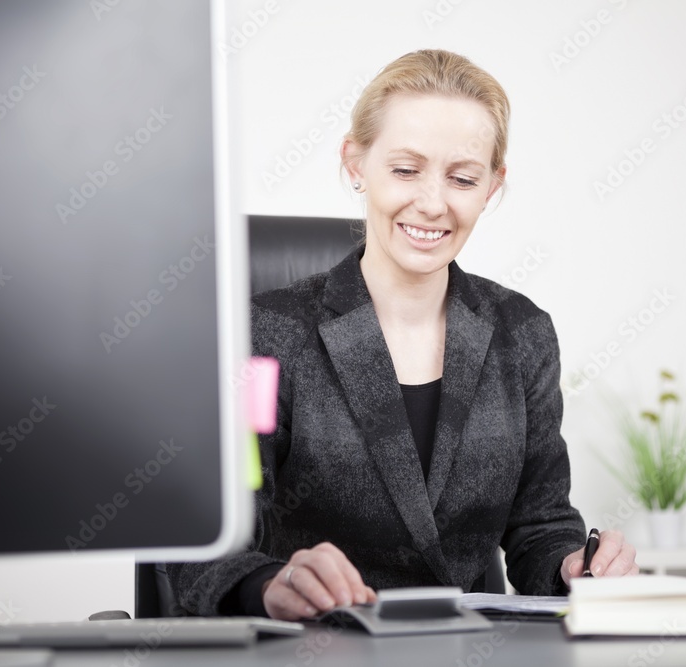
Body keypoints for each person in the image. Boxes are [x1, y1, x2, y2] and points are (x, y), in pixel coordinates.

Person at [168, 49, 638, 621]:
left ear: (492, 186)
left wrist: (573, 567)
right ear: (356, 164)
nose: (433, 203)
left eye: (462, 177)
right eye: (406, 169)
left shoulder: (523, 334)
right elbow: (215, 536)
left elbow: (539, 527)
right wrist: (268, 584)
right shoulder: (264, 338)